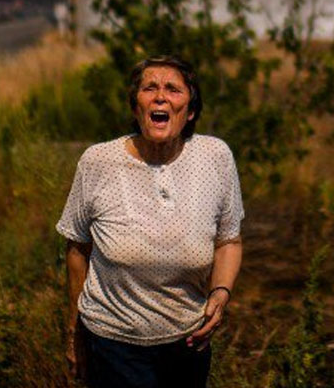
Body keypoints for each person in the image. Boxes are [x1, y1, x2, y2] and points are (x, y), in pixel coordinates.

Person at [57, 55, 244, 388]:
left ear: (190, 112)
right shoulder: (98, 162)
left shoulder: (215, 157)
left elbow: (229, 240)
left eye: (173, 89)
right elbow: (76, 248)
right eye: (149, 88)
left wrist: (220, 292)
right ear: (135, 107)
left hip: (189, 341)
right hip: (113, 344)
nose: (160, 96)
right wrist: (74, 336)